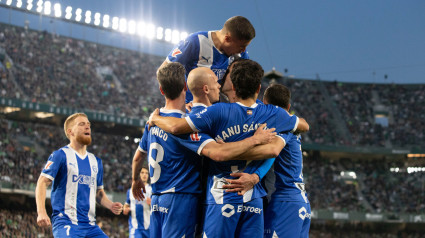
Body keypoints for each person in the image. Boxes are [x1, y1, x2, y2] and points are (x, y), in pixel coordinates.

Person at [148, 59, 309, 237]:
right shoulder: (273, 113)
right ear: (258, 89)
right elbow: (304, 125)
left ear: (233, 85)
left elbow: (176, 127)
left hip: (221, 195)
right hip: (253, 198)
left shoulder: (217, 112)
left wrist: (155, 118)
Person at [35, 113, 123, 237]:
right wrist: (41, 212)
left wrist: (111, 205)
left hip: (90, 226)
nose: (87, 127)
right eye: (82, 124)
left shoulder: (96, 161)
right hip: (66, 222)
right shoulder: (60, 155)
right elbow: (42, 182)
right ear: (70, 131)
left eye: (88, 125)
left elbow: (98, 193)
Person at [160, 15, 255, 103]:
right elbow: (164, 70)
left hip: (214, 110)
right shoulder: (195, 41)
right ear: (227, 39)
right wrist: (178, 102)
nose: (243, 50)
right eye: (242, 46)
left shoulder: (240, 55)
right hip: (189, 108)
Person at [262, 84, 311, 238]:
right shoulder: (291, 125)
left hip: (285, 201)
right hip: (298, 199)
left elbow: (273, 150)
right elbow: (304, 123)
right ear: (289, 106)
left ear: (265, 104)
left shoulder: (282, 127)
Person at [123, 167, 152, 238]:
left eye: (146, 173)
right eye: (142, 173)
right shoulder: (130, 191)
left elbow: (158, 208)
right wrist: (125, 209)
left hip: (149, 227)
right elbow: (126, 205)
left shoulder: (152, 190)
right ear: (138, 174)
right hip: (135, 227)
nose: (144, 175)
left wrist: (151, 203)